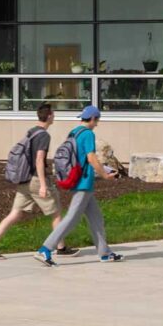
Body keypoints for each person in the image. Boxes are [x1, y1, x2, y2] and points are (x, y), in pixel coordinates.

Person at [38, 105, 121, 266]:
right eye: (96, 120)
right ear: (92, 119)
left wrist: (103, 169)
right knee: (71, 218)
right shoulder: (89, 134)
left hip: (79, 180)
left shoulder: (74, 132)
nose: (97, 124)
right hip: (83, 182)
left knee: (96, 218)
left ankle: (105, 253)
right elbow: (91, 158)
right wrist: (105, 175)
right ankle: (45, 248)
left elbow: (81, 158)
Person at [0, 103, 62, 260]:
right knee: (56, 213)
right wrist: (42, 184)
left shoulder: (31, 132)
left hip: (24, 180)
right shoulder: (44, 136)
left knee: (15, 213)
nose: (54, 116)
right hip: (35, 180)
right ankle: (61, 247)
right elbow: (39, 160)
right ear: (48, 116)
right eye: (53, 114)